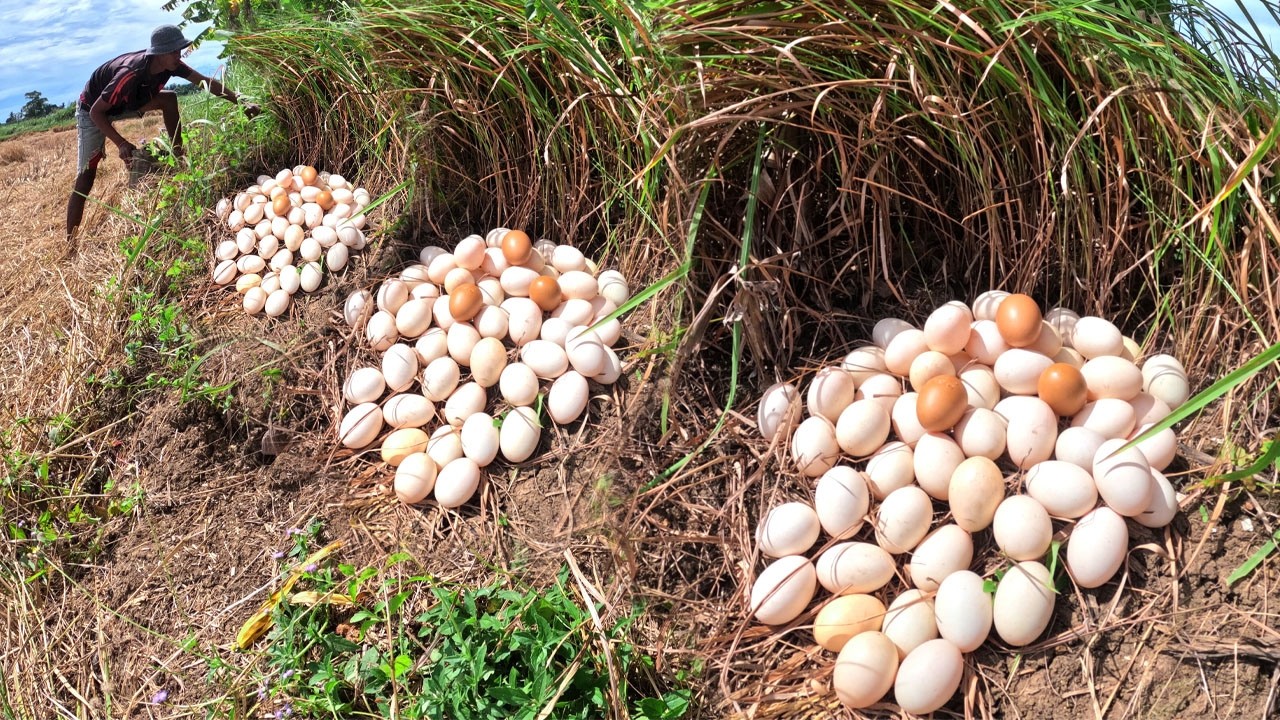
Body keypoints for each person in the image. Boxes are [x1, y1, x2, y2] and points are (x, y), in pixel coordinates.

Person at [65, 24, 260, 248]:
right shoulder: (130, 73)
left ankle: (178, 160)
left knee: (169, 99)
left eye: (180, 50)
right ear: (160, 53)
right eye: (175, 51)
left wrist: (241, 101)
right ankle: (70, 243)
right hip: (93, 108)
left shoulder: (170, 66)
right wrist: (121, 143)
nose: (179, 55)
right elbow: (96, 111)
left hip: (127, 101)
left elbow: (205, 82)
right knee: (86, 177)